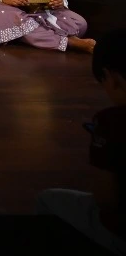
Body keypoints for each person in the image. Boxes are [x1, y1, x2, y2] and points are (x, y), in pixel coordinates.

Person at [35, 31, 126, 253]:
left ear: (111, 78)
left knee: (48, 200)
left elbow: (106, 199)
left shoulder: (111, 122)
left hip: (120, 231)